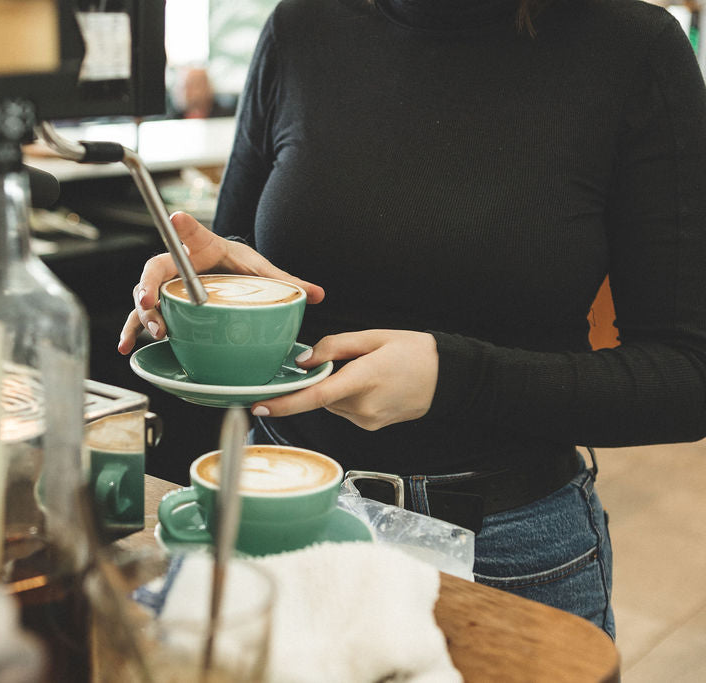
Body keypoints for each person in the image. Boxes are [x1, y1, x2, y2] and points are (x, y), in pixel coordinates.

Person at [118, 0, 706, 639]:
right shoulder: (302, 26)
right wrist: (204, 291)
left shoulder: (631, 46)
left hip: (505, 551)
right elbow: (232, 254)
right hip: (279, 509)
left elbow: (687, 375)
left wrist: (454, 379)